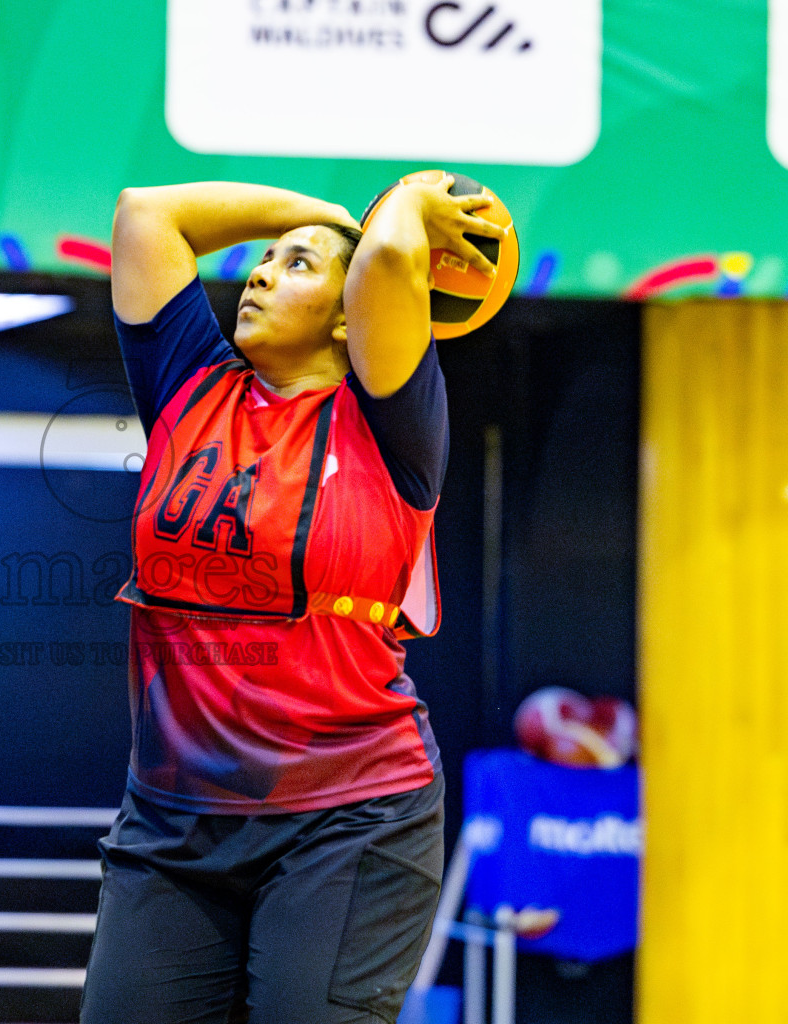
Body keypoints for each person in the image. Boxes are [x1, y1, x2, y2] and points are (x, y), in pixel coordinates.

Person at [79, 178, 505, 1024]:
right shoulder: (188, 387)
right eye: (262, 262)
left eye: (296, 265)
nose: (259, 276)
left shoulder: (392, 425)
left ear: (351, 315)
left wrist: (411, 199)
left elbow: (387, 256)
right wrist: (316, 216)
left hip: (350, 818)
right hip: (174, 821)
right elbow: (144, 215)